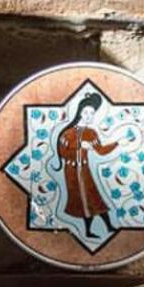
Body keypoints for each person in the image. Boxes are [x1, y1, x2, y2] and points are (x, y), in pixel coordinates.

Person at [52, 89, 119, 239]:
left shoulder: (91, 133)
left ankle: (108, 226)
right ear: (80, 112)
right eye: (86, 112)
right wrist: (79, 145)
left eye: (92, 113)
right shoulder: (67, 133)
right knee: (80, 201)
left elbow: (101, 150)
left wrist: (117, 143)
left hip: (85, 170)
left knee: (93, 197)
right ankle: (88, 231)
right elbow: (63, 153)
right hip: (71, 171)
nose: (89, 116)